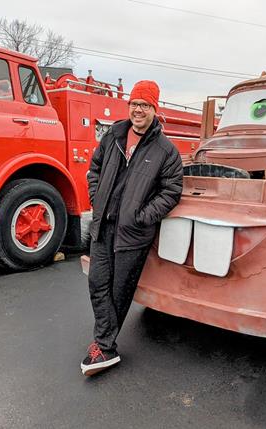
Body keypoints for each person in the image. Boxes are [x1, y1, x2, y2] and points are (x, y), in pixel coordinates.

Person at [81, 80, 183, 376]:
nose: (138, 110)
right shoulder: (113, 135)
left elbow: (171, 191)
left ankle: (104, 346)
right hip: (103, 226)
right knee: (97, 283)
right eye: (134, 104)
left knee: (119, 290)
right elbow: (95, 167)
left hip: (133, 233)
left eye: (145, 105)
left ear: (154, 109)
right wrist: (96, 198)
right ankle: (104, 343)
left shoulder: (166, 151)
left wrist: (142, 216)